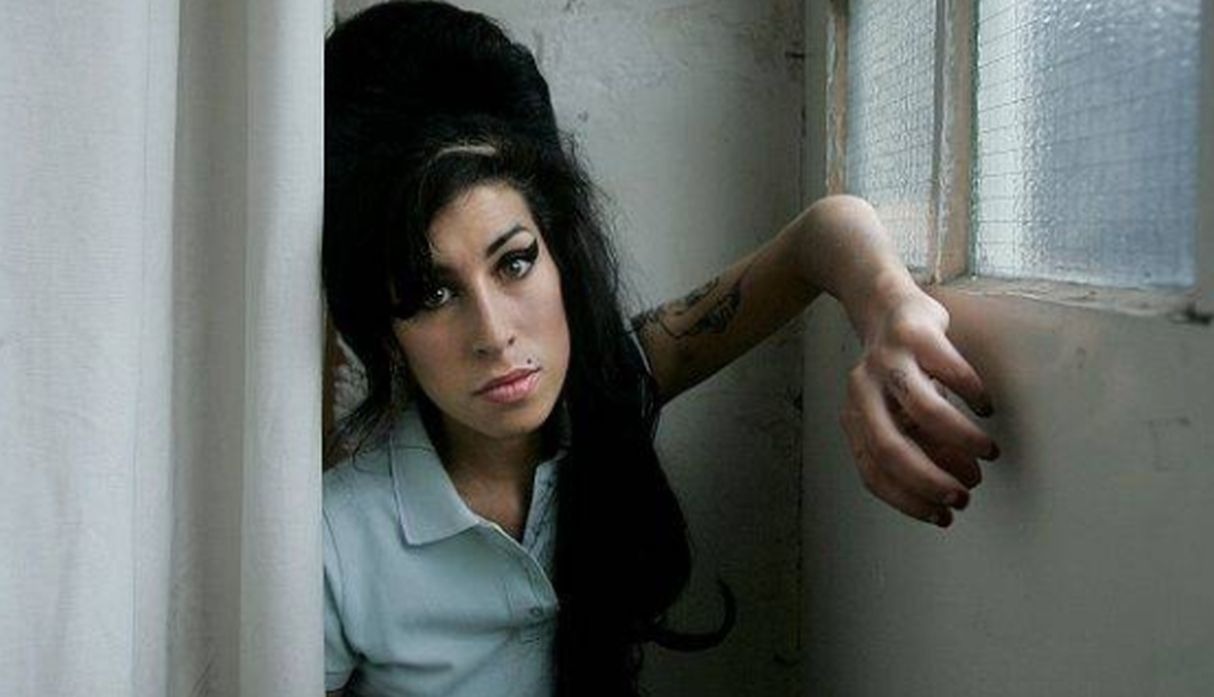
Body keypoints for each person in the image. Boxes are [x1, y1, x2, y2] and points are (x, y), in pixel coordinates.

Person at [321, 2, 999, 696]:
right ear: (385, 328)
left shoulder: (610, 386)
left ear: (559, 254)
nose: (493, 334)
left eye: (515, 262)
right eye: (433, 293)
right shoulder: (335, 539)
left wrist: (892, 311)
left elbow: (822, 236)